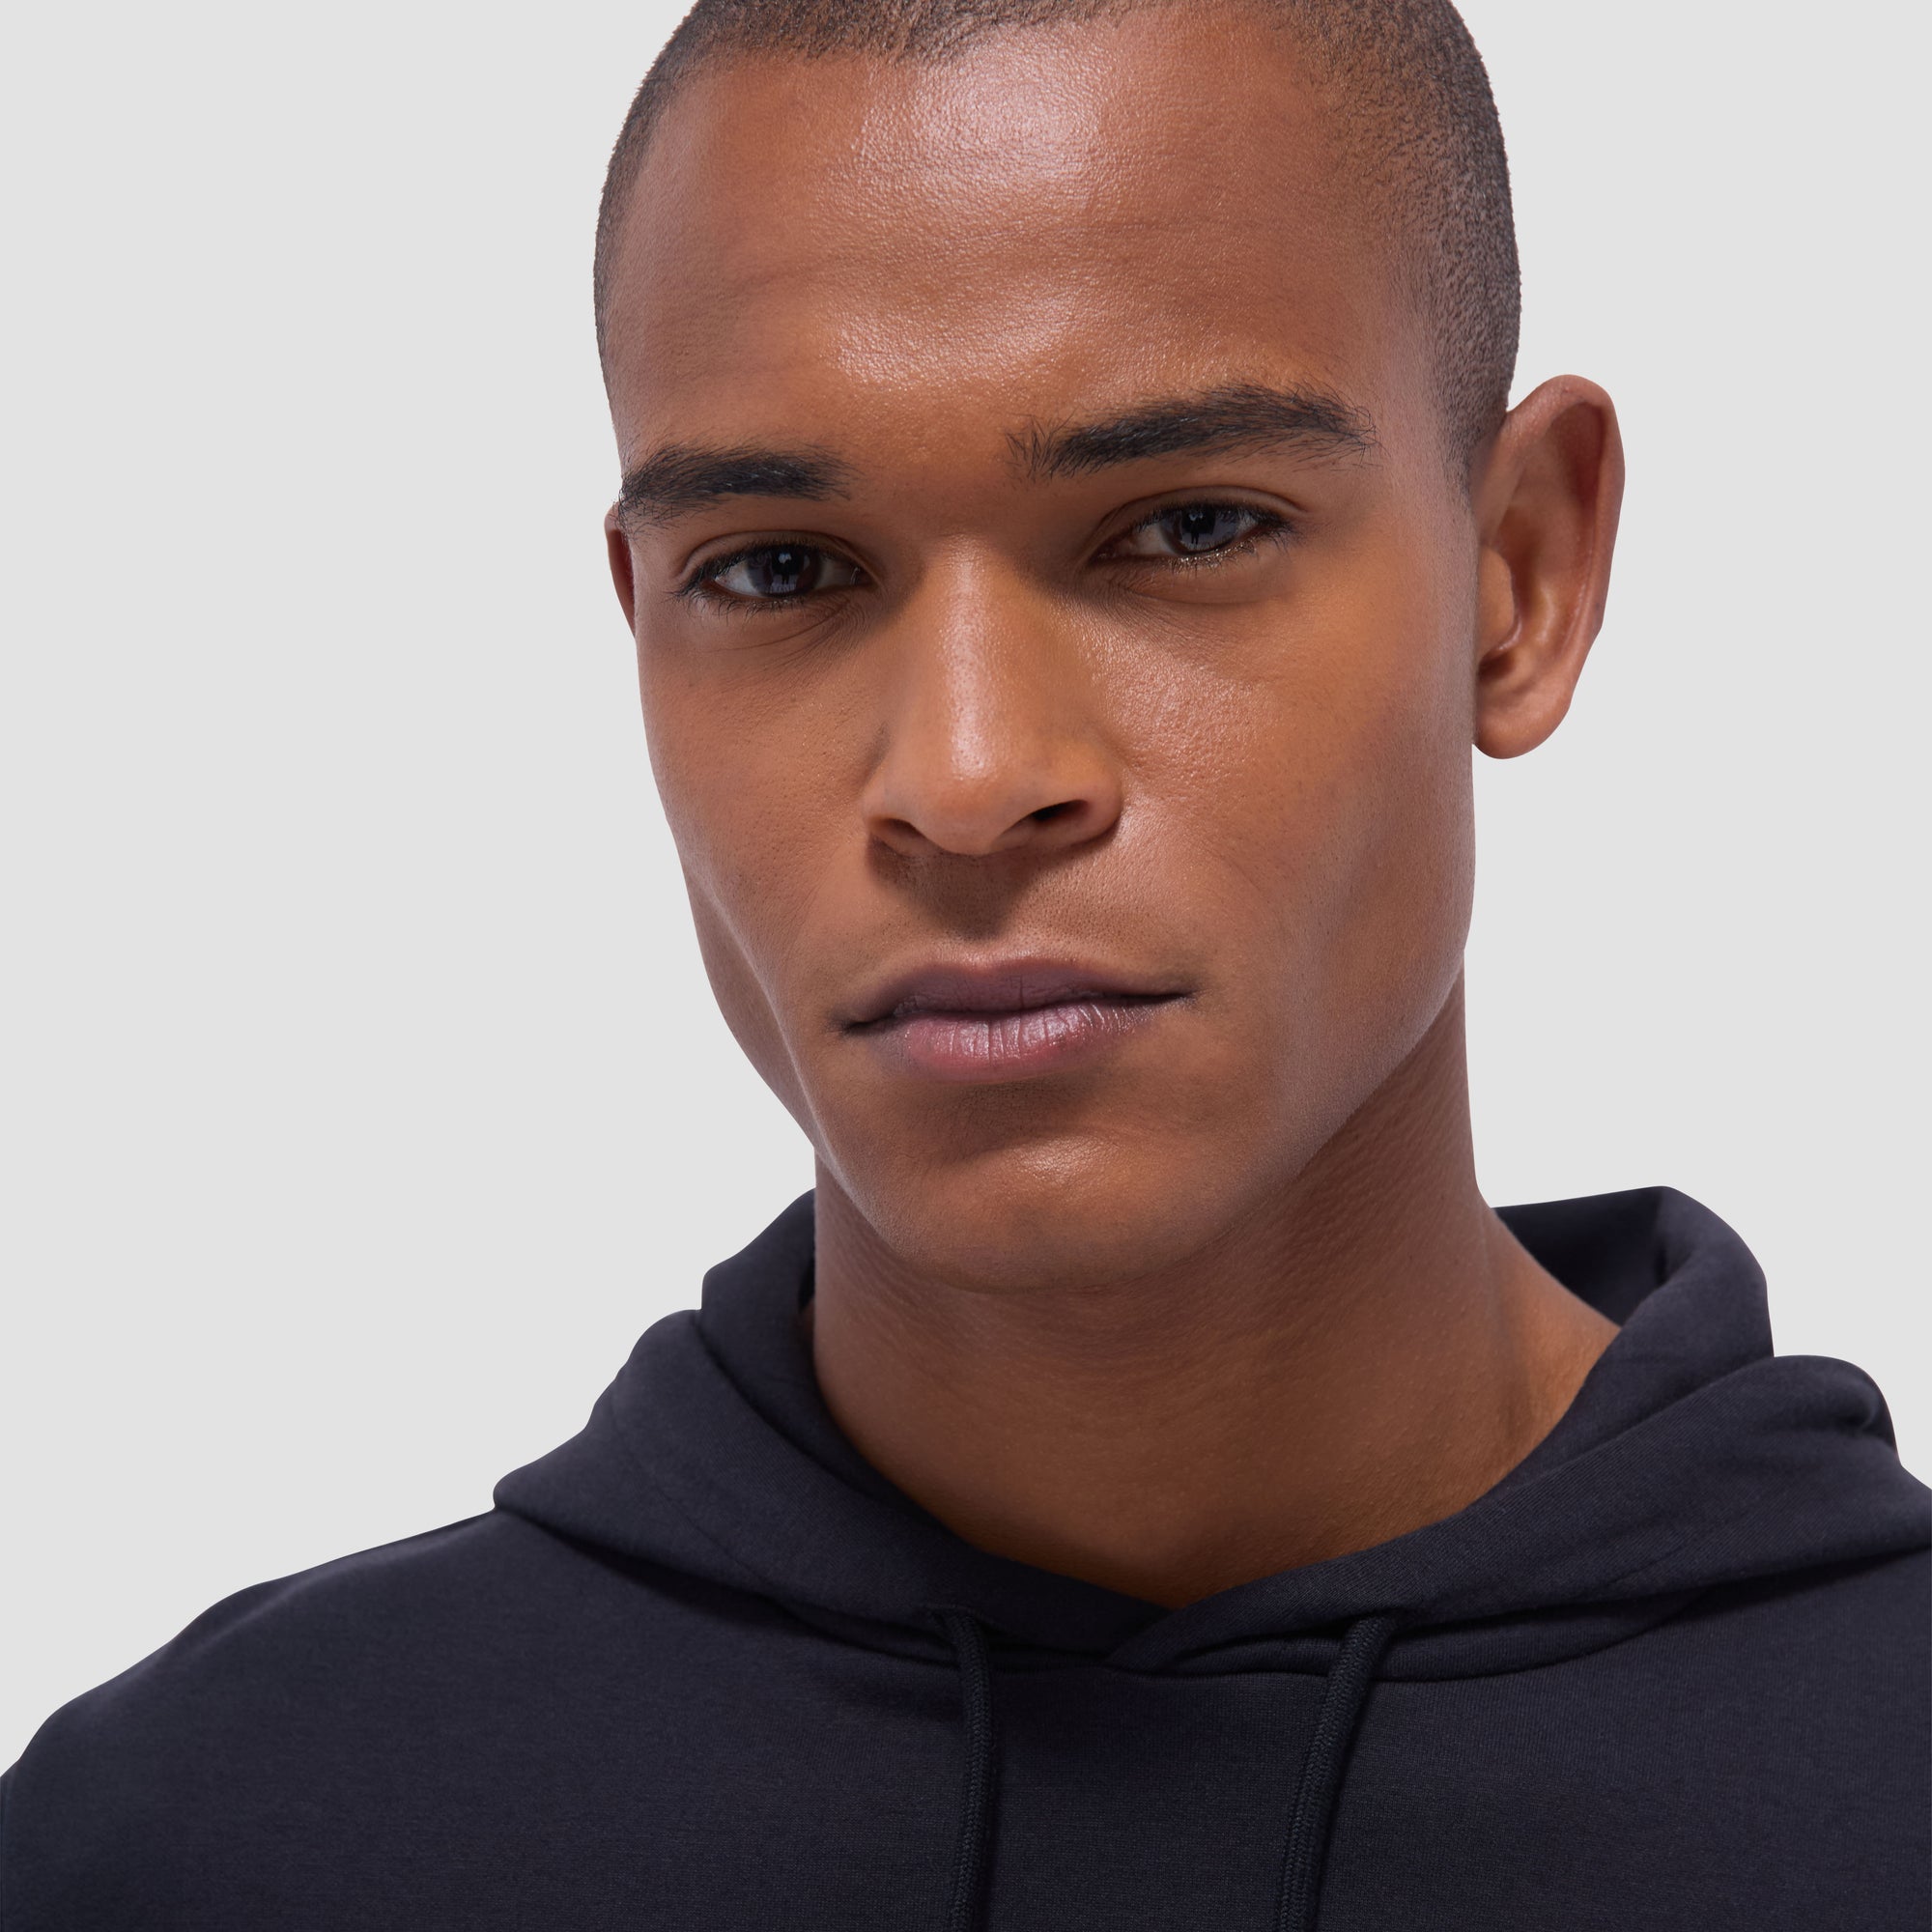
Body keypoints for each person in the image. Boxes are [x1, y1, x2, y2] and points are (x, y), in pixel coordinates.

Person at [4, 0, 1926, 1924]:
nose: (969, 776)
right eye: (777, 568)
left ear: (1523, 574)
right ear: (640, 621)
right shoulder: (184, 1845)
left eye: (1185, 529)